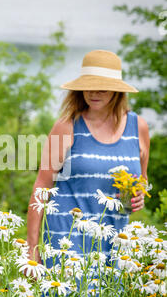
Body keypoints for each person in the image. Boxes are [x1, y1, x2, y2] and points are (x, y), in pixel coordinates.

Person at [27, 49, 150, 265]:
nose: (93, 93)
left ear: (116, 92)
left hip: (115, 242)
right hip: (66, 243)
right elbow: (41, 187)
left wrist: (139, 195)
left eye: (102, 89)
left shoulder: (137, 127)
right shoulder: (66, 126)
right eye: (88, 86)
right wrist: (31, 250)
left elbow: (142, 180)